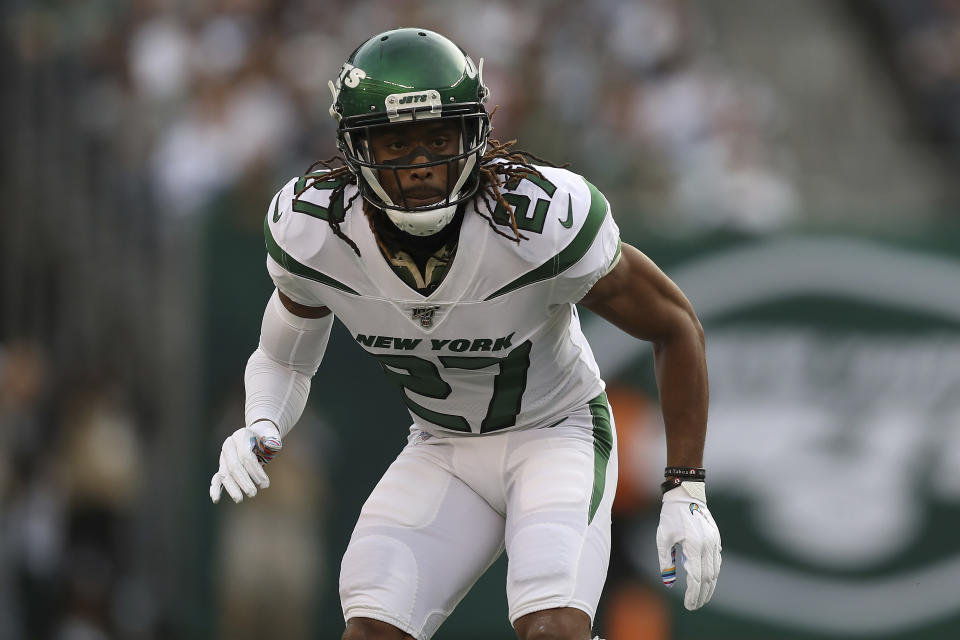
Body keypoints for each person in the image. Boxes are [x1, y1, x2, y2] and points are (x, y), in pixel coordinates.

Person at [209, 27, 721, 640]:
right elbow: (284, 356)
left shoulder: (539, 219)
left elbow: (674, 324)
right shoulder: (314, 228)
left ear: (474, 135)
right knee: (372, 627)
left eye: (437, 138)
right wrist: (264, 420)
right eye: (396, 142)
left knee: (552, 628)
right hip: (443, 447)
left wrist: (685, 486)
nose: (421, 163)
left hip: (555, 434)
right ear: (354, 148)